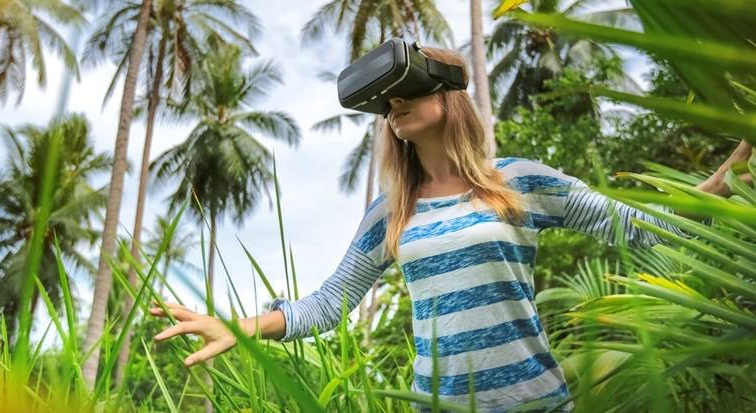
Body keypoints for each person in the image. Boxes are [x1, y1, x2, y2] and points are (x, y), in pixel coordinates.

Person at [148, 45, 753, 412]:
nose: (393, 105)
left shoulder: (519, 180)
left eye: (403, 90)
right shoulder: (391, 212)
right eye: (383, 102)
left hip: (536, 404)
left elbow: (636, 226)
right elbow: (331, 303)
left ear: (448, 95)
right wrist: (242, 324)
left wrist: (727, 179)